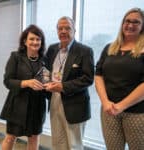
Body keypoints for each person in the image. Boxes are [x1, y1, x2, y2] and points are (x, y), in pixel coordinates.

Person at [95, 8, 144, 150]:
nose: (130, 25)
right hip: (109, 111)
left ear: (142, 27)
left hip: (136, 113)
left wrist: (121, 106)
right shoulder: (109, 48)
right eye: (127, 21)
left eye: (136, 22)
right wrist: (105, 102)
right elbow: (98, 75)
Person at [44, 16, 94, 150]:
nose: (63, 31)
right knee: (57, 142)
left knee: (74, 145)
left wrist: (63, 86)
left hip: (75, 105)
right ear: (57, 31)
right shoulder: (52, 49)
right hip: (54, 100)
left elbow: (88, 78)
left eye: (67, 28)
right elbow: (46, 71)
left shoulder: (85, 51)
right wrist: (45, 83)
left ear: (74, 30)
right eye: (60, 28)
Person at [0, 24, 47, 150]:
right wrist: (26, 83)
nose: (35, 42)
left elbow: (48, 81)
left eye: (38, 39)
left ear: (41, 42)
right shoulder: (15, 57)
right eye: (32, 39)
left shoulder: (45, 60)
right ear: (25, 41)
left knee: (34, 138)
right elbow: (7, 81)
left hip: (37, 106)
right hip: (17, 105)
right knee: (10, 137)